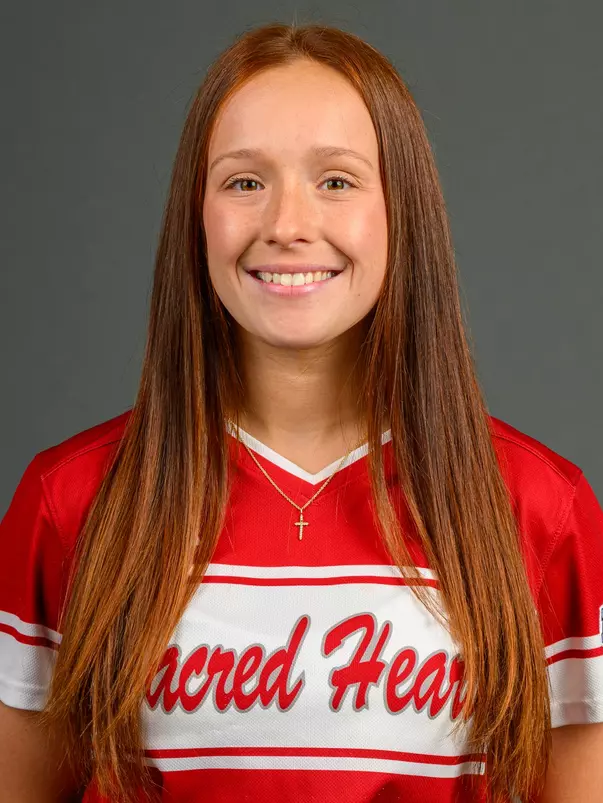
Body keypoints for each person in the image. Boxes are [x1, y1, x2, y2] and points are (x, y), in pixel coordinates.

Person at [1, 20, 602, 803]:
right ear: (196, 215)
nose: (286, 225)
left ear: (401, 211)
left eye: (337, 180)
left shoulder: (538, 507)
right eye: (244, 181)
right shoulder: (69, 501)